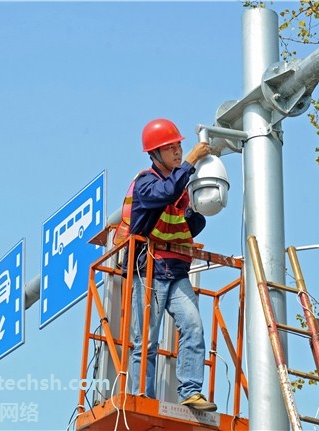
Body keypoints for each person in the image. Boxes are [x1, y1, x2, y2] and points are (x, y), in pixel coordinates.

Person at [120, 118, 217, 412]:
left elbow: (189, 225)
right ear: (155, 154)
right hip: (148, 269)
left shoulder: (181, 189)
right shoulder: (146, 182)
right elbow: (164, 194)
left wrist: (199, 207)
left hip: (175, 270)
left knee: (194, 327)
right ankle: (141, 397)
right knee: (146, 341)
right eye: (170, 148)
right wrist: (190, 163)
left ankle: (191, 391)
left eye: (179, 146)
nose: (177, 151)